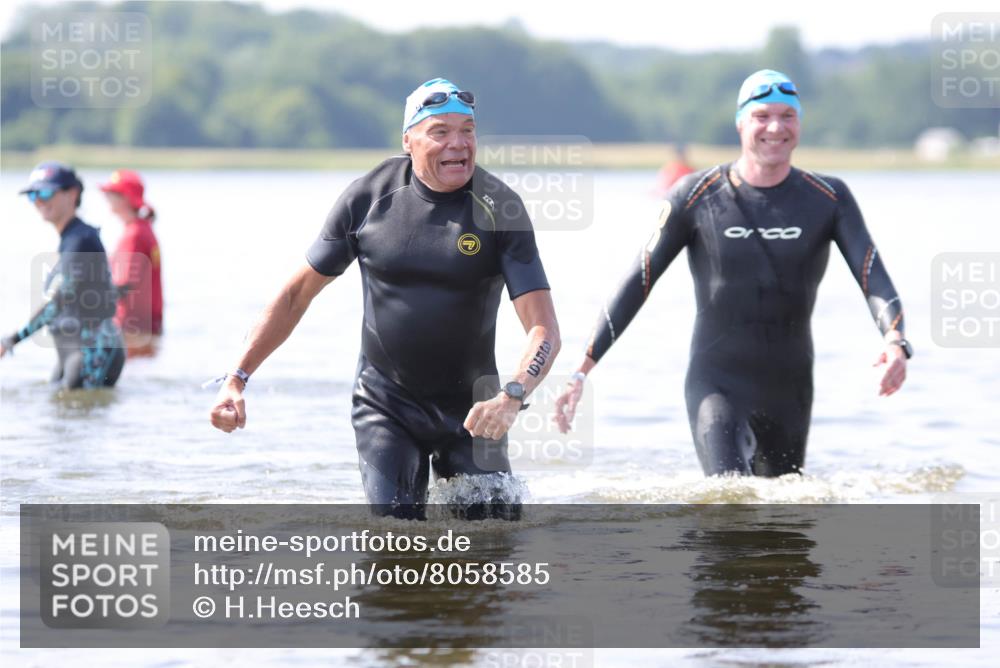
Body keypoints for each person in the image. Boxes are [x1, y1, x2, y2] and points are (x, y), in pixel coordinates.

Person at [209, 78, 560, 518]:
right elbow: (296, 295)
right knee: (396, 539)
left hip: (476, 410)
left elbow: (544, 329)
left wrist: (512, 395)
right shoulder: (368, 199)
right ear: (408, 141)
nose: (458, 144)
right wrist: (236, 379)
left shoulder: (500, 207)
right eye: (440, 132)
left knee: (492, 542)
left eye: (467, 130)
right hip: (386, 408)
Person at [555, 70, 910, 477]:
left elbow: (872, 275)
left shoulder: (828, 198)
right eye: (762, 116)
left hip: (790, 389)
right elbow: (640, 278)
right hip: (717, 384)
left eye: (787, 116)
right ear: (741, 123)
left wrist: (895, 341)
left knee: (783, 510)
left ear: (799, 123)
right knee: (728, 494)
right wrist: (581, 369)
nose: (775, 128)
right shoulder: (696, 195)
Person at [1, 162, 125, 389]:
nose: (39, 201)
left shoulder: (81, 240)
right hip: (71, 351)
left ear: (72, 194)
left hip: (93, 353)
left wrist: (12, 339)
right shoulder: (72, 239)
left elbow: (57, 301)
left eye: (45, 192)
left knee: (74, 410)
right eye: (32, 195)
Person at [101, 169, 163, 357]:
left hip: (132, 331)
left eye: (111, 193)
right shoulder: (144, 228)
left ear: (125, 198)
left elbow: (124, 284)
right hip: (147, 329)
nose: (106, 197)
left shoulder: (134, 235)